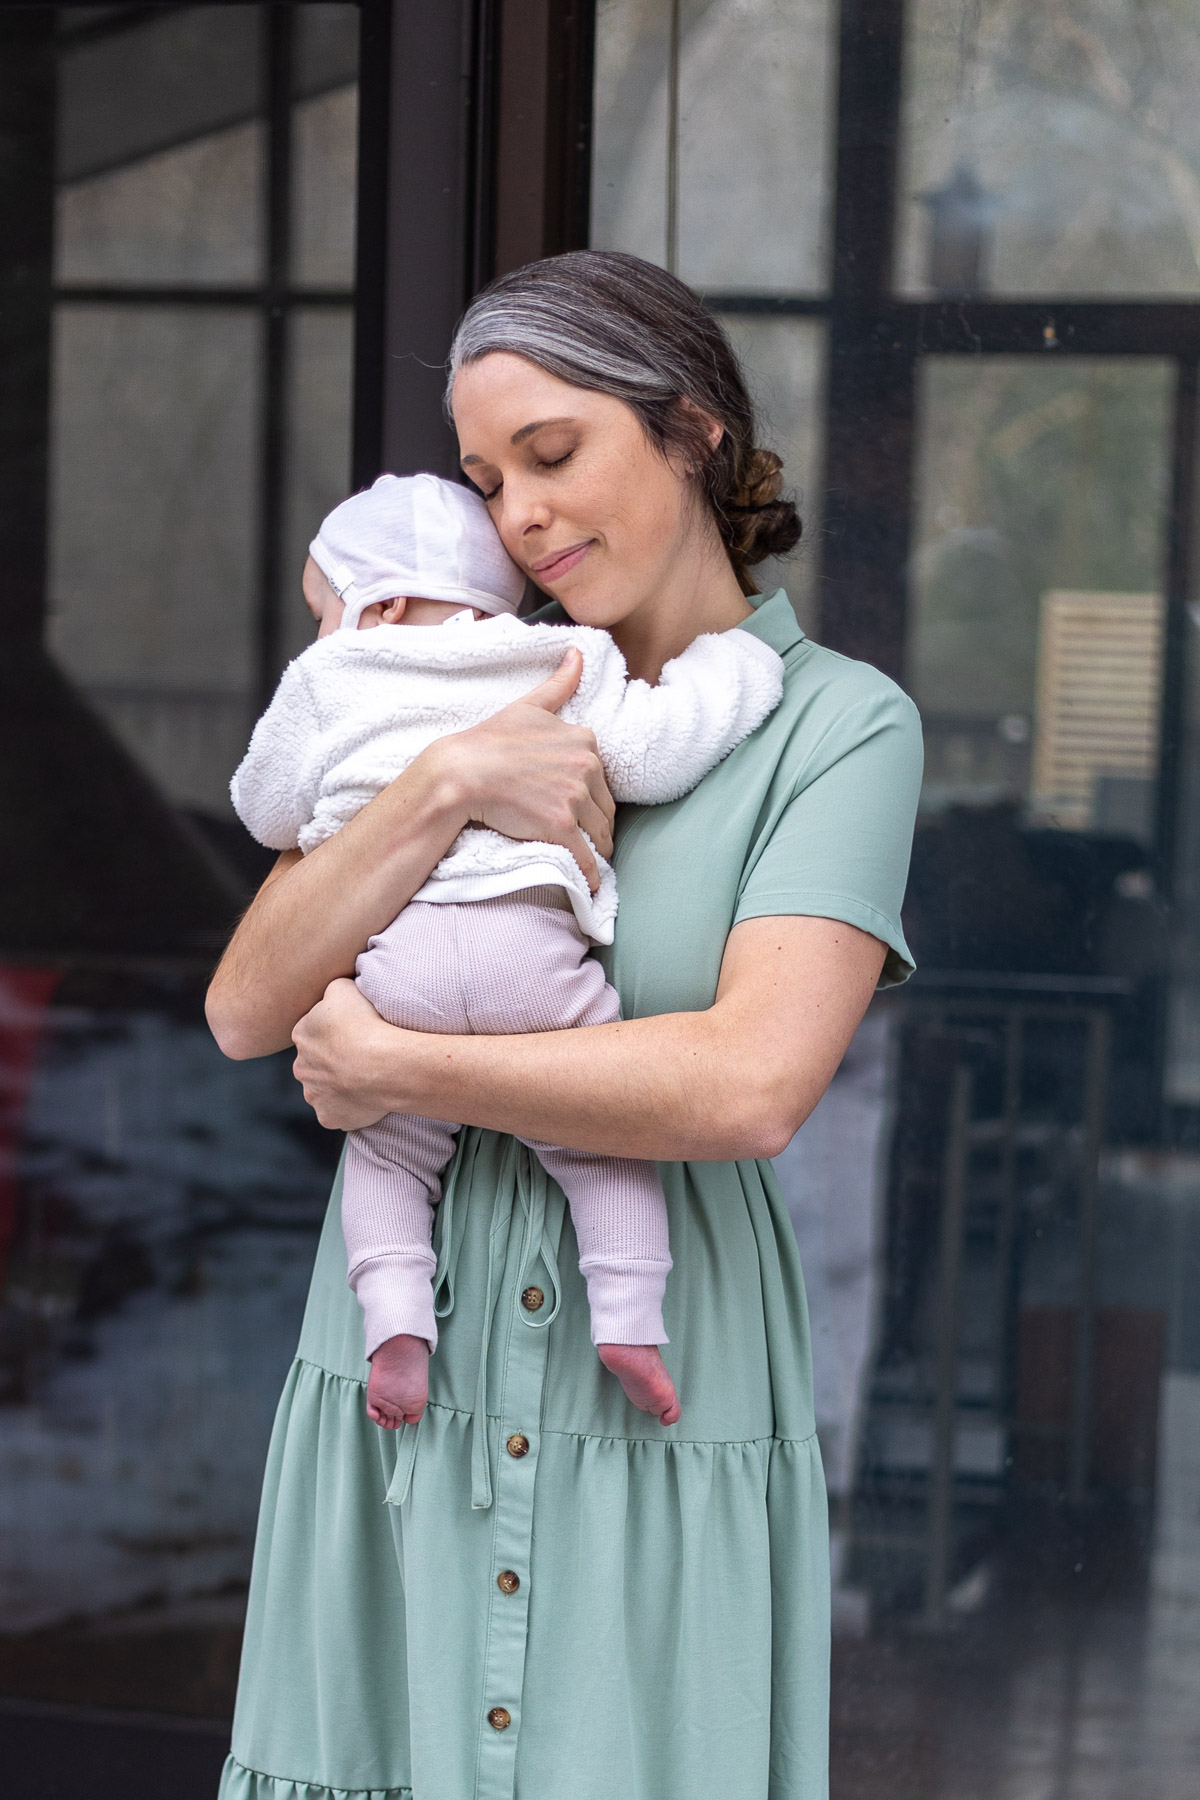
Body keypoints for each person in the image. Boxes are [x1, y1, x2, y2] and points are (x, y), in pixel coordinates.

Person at [206, 249, 923, 1800]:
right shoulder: (431, 677)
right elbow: (249, 1004)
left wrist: (403, 1069)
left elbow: (746, 1085)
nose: (519, 514)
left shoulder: (836, 728)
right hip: (403, 1367)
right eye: (486, 477)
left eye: (555, 453)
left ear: (693, 433)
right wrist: (451, 780)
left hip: (657, 1384)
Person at [228, 470, 783, 1430]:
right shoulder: (558, 657)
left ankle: (397, 1324)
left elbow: (263, 805)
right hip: (527, 950)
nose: (322, 636)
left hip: (398, 971)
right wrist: (736, 668)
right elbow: (657, 747)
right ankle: (627, 1322)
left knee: (388, 1154)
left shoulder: (329, 679)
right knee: (603, 1147)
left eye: (326, 611)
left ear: (380, 603)